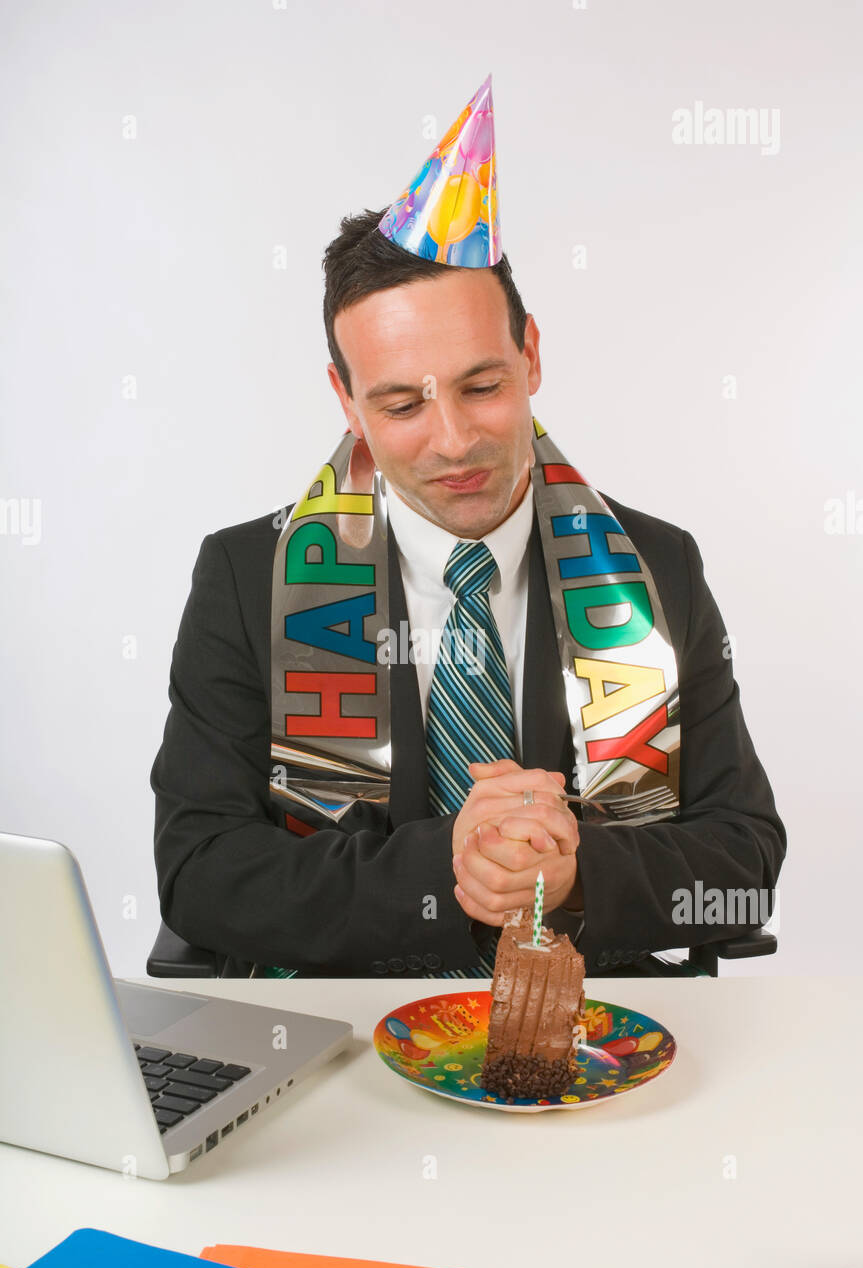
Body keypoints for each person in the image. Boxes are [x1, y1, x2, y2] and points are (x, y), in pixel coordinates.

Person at [150, 78, 785, 980]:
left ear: (530, 354)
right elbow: (201, 875)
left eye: (482, 386)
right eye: (401, 403)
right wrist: (443, 868)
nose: (453, 441)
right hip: (346, 1040)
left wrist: (577, 876)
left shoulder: (655, 568)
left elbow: (742, 867)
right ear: (345, 400)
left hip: (593, 1036)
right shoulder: (248, 578)